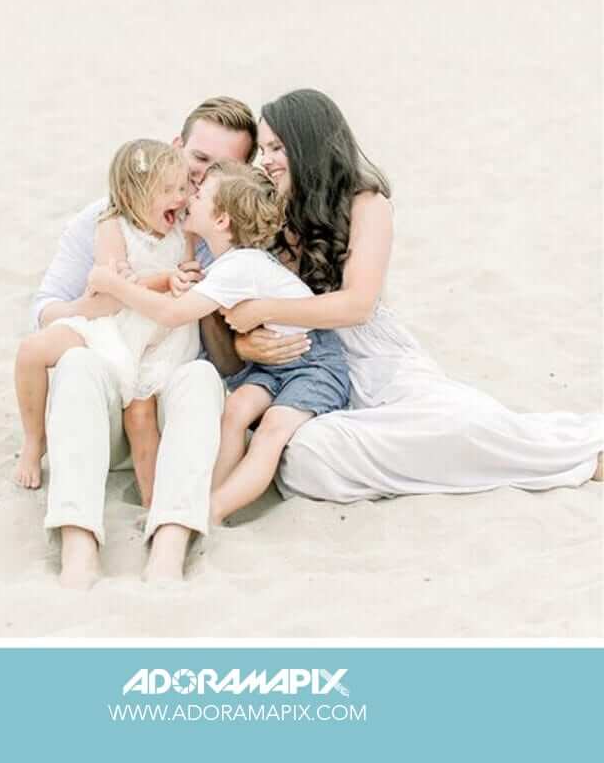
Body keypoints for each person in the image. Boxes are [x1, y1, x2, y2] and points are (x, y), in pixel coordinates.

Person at [218, 89, 604, 505]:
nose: (267, 160)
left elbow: (357, 305)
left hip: (375, 359)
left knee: (459, 421)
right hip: (309, 372)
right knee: (309, 462)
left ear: (307, 144)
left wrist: (264, 310)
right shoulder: (265, 207)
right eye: (264, 149)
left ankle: (577, 454)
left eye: (278, 147)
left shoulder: (366, 203)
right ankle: (442, 464)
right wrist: (245, 340)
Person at [36, 97, 282, 589]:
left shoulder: (220, 228)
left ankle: (168, 541)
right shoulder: (105, 218)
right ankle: (79, 544)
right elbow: (44, 309)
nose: (199, 179)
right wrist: (98, 299)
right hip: (106, 398)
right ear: (176, 148)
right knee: (77, 365)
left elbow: (229, 355)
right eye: (198, 160)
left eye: (220, 168)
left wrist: (228, 324)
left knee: (202, 375)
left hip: (171, 407)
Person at [86, 161, 351, 527]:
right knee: (235, 411)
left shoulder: (239, 267)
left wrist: (115, 285)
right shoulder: (231, 266)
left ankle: (212, 510)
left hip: (315, 363)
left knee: (272, 430)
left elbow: (172, 314)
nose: (189, 197)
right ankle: (207, 497)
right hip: (274, 365)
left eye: (199, 194)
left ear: (223, 220)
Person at [14, 139, 198, 502]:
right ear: (132, 194)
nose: (180, 197)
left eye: (183, 187)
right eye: (167, 190)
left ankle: (152, 501)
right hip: (112, 325)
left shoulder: (183, 230)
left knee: (141, 415)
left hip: (158, 335)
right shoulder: (112, 225)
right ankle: (34, 441)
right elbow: (114, 293)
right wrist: (165, 280)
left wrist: (180, 278)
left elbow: (186, 275)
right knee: (31, 351)